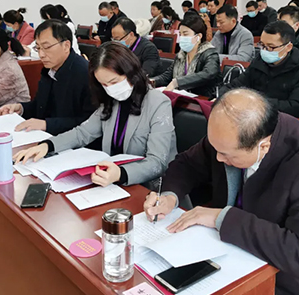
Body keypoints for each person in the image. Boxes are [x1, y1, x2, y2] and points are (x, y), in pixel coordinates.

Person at [144, 89, 299, 295]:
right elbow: (187, 164)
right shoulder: (228, 136)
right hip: (227, 258)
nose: (218, 158)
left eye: (226, 155)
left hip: (288, 284)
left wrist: (221, 218)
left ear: (264, 146)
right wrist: (169, 196)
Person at [13, 43, 177, 190]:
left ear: (131, 73)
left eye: (114, 82)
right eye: (104, 84)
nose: (110, 89)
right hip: (109, 182)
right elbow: (82, 133)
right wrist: (47, 146)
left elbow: (157, 162)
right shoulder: (111, 100)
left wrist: (120, 173)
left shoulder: (157, 103)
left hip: (148, 189)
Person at [0, 19, 95, 135]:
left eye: (47, 47)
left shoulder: (86, 74)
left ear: (66, 45)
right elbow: (40, 105)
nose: (41, 55)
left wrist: (47, 125)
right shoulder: (50, 69)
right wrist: (21, 109)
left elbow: (89, 123)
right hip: (45, 136)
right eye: (38, 48)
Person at [219, 21, 299, 120]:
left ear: (288, 47)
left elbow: (297, 106)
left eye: (271, 47)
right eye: (262, 45)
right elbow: (236, 85)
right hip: (256, 117)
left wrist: (256, 103)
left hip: (289, 122)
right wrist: (223, 96)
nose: (264, 50)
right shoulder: (259, 61)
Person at [152, 13, 221, 97]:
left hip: (203, 98)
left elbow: (208, 73)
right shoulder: (181, 55)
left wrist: (177, 82)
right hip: (182, 97)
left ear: (198, 36)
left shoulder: (210, 54)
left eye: (185, 34)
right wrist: (152, 81)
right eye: (180, 34)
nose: (182, 38)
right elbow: (167, 76)